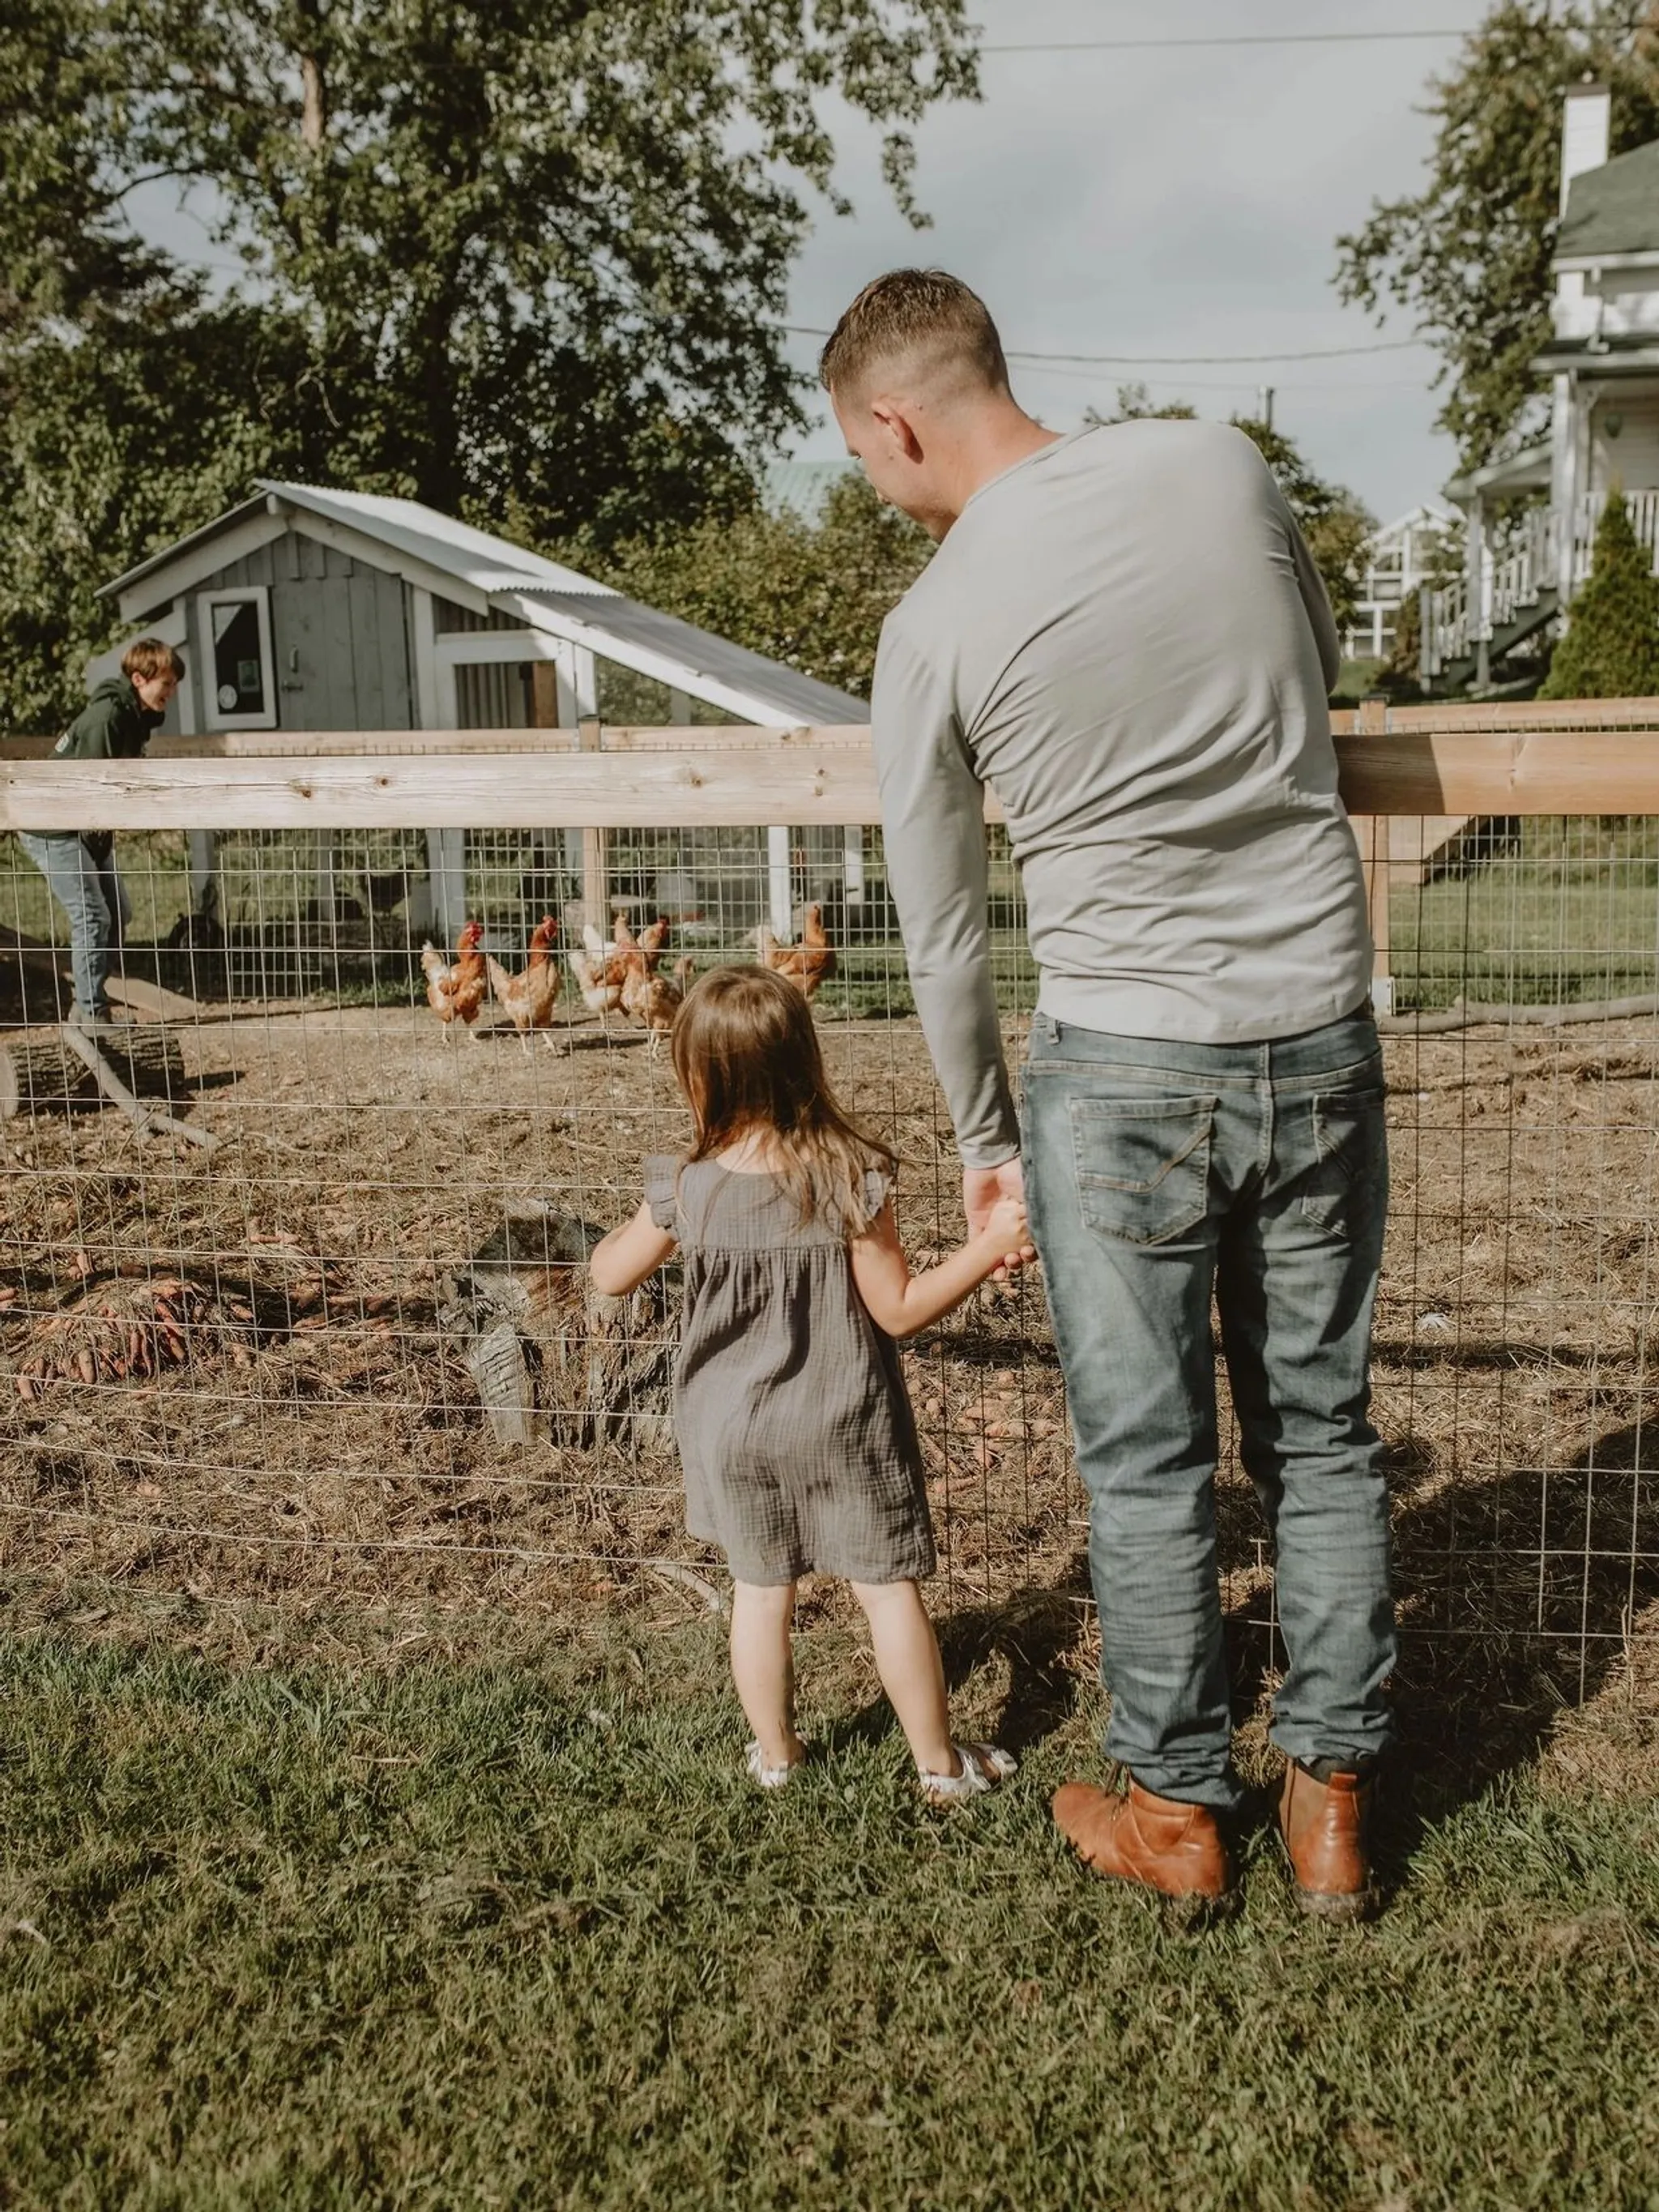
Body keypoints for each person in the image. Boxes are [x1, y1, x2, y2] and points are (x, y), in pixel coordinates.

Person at [821, 269, 1392, 1921]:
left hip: (1120, 1065)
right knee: (1323, 1436)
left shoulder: (928, 625)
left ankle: (1175, 1811)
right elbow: (1319, 660)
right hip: (1314, 1022)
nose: (875, 485)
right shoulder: (1221, 465)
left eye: (863, 461)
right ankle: (1331, 1807)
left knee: (1147, 1465)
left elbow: (940, 934)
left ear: (893, 421)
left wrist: (987, 1148)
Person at [589, 964, 1030, 1800]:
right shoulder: (846, 1177)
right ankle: (938, 1767)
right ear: (803, 1062)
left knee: (759, 1595)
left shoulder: (686, 1187)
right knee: (885, 1591)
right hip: (839, 1418)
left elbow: (610, 1275)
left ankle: (777, 1758)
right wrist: (984, 1248)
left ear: (698, 1076)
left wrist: (652, 1222)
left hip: (730, 1432)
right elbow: (897, 1311)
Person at [19, 637, 182, 1034]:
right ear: (140, 679)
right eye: (167, 684)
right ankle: (92, 1011)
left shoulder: (136, 718)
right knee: (92, 915)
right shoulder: (108, 717)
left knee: (118, 913)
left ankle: (87, 1004)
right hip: (53, 825)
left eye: (174, 685)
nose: (171, 693)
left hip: (86, 826)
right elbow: (95, 785)